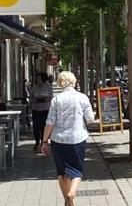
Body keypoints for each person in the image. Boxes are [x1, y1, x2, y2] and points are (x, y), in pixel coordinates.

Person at [41, 71, 95, 206]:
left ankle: (67, 199)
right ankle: (71, 193)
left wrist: (44, 141)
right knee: (77, 170)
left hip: (58, 140)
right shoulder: (82, 97)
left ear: (60, 83)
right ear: (74, 82)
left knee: (62, 172)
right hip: (78, 138)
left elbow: (50, 122)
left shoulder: (56, 100)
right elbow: (90, 119)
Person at [31, 72, 53, 152]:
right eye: (36, 79)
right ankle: (37, 142)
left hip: (45, 110)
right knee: (36, 128)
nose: (37, 80)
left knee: (44, 128)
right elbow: (32, 98)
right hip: (36, 110)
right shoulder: (34, 87)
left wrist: (39, 100)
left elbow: (49, 98)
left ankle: (43, 143)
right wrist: (40, 100)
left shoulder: (48, 87)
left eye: (39, 78)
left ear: (43, 79)